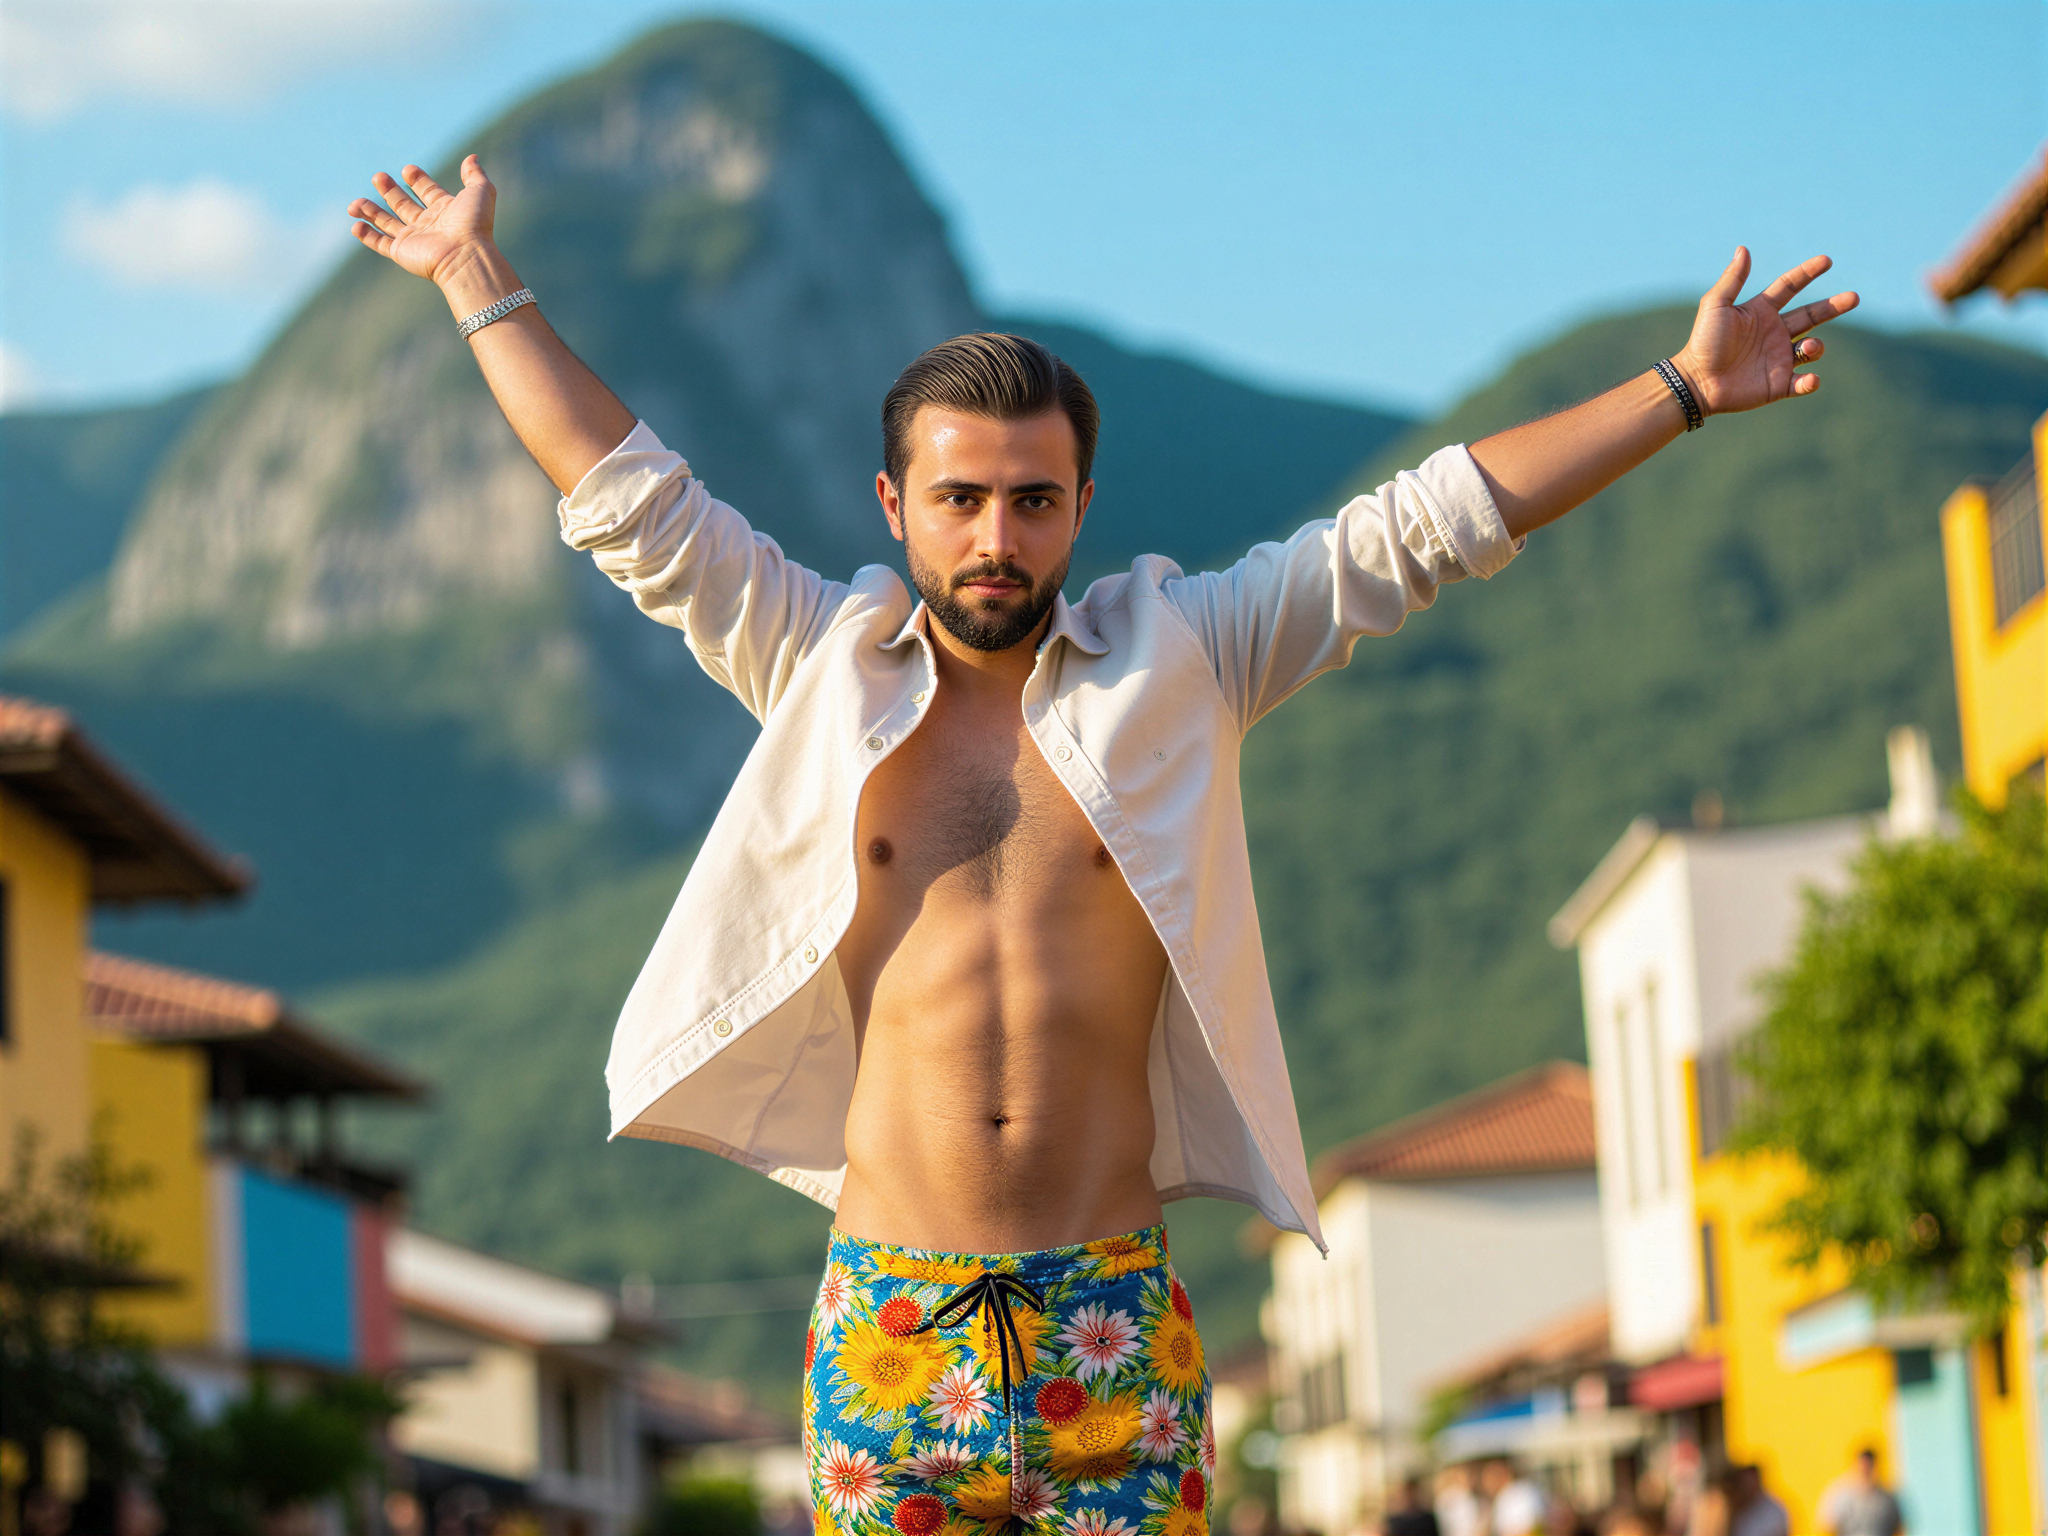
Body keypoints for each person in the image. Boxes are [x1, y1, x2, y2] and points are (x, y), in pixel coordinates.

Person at [346, 153, 1856, 1536]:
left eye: (1031, 500)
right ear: (896, 504)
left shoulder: (1183, 658)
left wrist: (1681, 390)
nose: (996, 537)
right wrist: (478, 279)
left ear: (1081, 506)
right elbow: (635, 507)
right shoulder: (820, 663)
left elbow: (1419, 531)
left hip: (1111, 1318)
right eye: (959, 501)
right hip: (890, 1321)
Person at [1819, 1449, 1903, 1536]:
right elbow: (1827, 1526)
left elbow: (1898, 1528)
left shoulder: (1886, 1499)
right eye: (1862, 1466)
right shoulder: (1840, 1495)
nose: (1865, 1470)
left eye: (1868, 1466)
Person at [1725, 1466, 1788, 1536]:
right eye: (1744, 1481)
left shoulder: (1773, 1509)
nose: (1747, 1485)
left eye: (1750, 1480)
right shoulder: (1736, 1508)